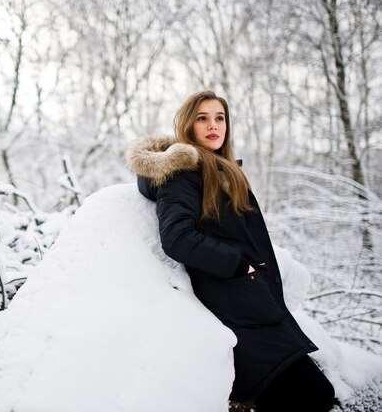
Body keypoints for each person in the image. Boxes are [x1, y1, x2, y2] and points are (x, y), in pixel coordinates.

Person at [125, 90, 337, 411]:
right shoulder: (183, 173)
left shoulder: (221, 170)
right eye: (203, 118)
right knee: (313, 395)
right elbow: (177, 238)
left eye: (220, 118)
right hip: (236, 312)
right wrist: (239, 265)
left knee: (309, 395)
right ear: (187, 125)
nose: (214, 125)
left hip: (255, 309)